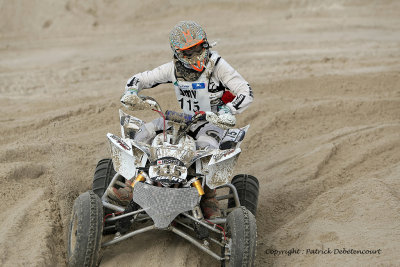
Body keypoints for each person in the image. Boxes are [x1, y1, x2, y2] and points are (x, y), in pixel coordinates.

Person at [108, 21, 254, 219]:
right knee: (142, 135)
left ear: (206, 44)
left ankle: (207, 197)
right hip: (185, 118)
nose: (195, 55)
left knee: (206, 149)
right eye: (188, 52)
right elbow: (140, 78)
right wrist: (132, 92)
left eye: (198, 48)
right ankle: (131, 185)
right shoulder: (173, 68)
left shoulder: (217, 65)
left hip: (213, 121)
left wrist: (228, 111)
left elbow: (246, 91)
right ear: (177, 53)